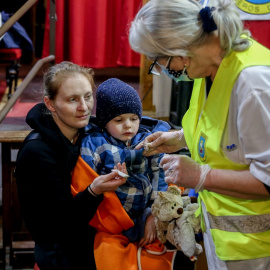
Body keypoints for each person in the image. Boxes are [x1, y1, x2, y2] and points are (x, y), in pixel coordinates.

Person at [128, 0, 270, 270]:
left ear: (180, 48)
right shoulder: (205, 71)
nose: (164, 70)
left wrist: (201, 176)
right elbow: (225, 130)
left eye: (159, 61)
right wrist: (181, 138)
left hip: (257, 247)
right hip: (224, 236)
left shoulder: (253, 84)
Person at [15, 61, 127, 270]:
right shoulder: (38, 152)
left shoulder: (87, 131)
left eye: (87, 96)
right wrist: (94, 191)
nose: (84, 107)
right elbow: (60, 225)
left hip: (93, 236)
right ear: (50, 104)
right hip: (60, 251)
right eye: (72, 100)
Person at [80, 78, 171, 245]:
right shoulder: (95, 143)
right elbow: (85, 178)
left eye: (134, 118)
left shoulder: (149, 141)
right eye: (119, 120)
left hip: (145, 212)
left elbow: (160, 175)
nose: (128, 126)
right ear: (104, 122)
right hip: (110, 217)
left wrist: (153, 213)